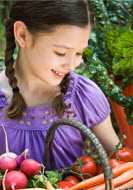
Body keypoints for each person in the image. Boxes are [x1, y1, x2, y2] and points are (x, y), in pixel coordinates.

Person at [0, 0, 120, 172]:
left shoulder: (84, 95)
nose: (72, 64)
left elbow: (120, 160)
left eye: (79, 53)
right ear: (22, 35)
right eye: (61, 53)